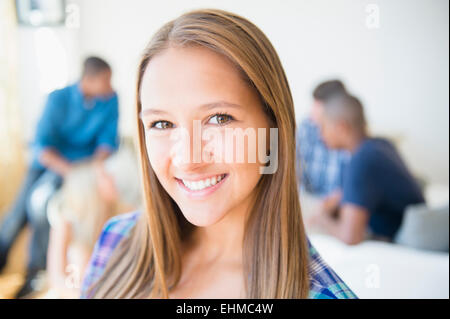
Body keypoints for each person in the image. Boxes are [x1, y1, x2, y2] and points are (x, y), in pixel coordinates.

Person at [80, 9, 356, 299]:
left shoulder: (319, 294)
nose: (188, 159)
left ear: (273, 130)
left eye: (219, 119)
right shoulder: (115, 241)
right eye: (162, 123)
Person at [0, 56, 119, 298]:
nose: (110, 86)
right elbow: (42, 148)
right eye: (105, 80)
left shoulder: (110, 99)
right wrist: (71, 172)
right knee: (20, 213)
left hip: (83, 168)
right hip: (50, 165)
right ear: (89, 79)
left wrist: (87, 173)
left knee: (43, 208)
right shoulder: (58, 99)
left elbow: (107, 143)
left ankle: (35, 273)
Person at [310, 93, 425, 244]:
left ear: (341, 127)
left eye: (322, 127)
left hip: (397, 239)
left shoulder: (362, 161)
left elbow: (350, 237)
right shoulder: (380, 145)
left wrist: (321, 219)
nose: (320, 135)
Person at [45, 144, 141, 298]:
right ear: (90, 188)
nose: (112, 179)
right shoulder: (67, 222)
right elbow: (57, 279)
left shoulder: (122, 212)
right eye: (105, 176)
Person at [296, 80, 350, 197]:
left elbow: (349, 187)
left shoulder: (348, 133)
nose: (313, 111)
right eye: (314, 104)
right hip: (307, 197)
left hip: (336, 204)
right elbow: (294, 165)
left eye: (318, 105)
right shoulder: (307, 126)